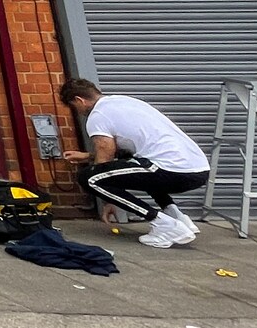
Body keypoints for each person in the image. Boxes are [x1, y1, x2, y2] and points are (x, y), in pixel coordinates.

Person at [58, 77, 211, 248]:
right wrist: (86, 156)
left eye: (74, 107)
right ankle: (176, 217)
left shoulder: (97, 116)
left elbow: (105, 159)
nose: (77, 112)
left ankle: (164, 225)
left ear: (80, 100)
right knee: (138, 165)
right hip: (198, 169)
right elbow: (121, 153)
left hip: (173, 170)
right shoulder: (125, 101)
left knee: (89, 178)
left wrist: (109, 199)